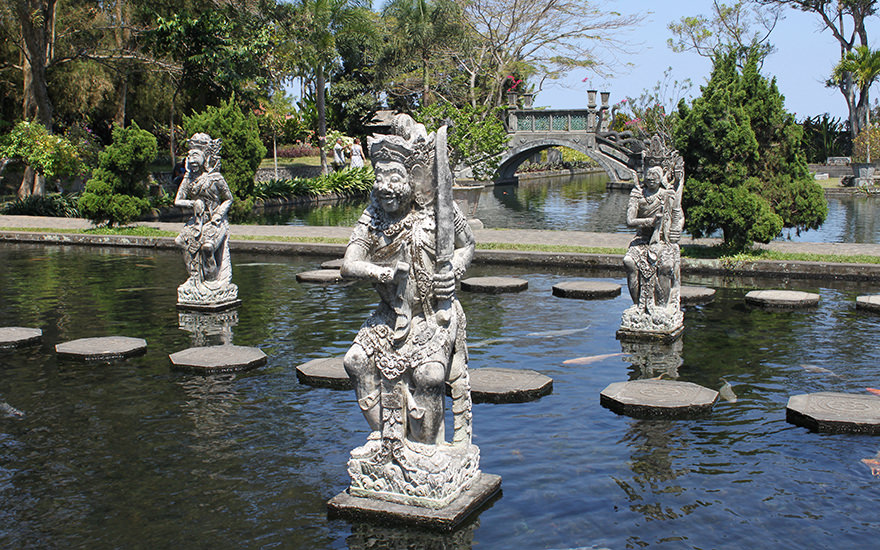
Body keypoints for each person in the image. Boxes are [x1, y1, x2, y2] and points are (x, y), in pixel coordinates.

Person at [622, 137, 684, 315]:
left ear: (660, 176)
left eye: (654, 176)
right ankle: (637, 305)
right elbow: (630, 221)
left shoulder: (667, 194)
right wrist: (650, 221)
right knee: (629, 262)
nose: (650, 179)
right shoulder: (638, 194)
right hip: (642, 239)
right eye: (648, 175)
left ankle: (662, 307)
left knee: (665, 266)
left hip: (662, 240)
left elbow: (678, 215)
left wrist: (677, 229)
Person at [174, 133, 235, 294]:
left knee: (207, 247)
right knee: (181, 241)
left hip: (215, 221)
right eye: (189, 156)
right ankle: (194, 277)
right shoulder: (188, 179)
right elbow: (178, 200)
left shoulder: (216, 178)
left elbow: (228, 199)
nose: (191, 159)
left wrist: (218, 216)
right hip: (197, 221)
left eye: (195, 155)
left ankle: (212, 281)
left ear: (205, 156)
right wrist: (192, 203)